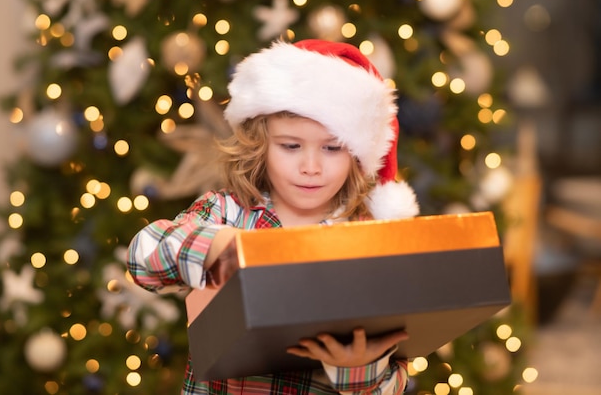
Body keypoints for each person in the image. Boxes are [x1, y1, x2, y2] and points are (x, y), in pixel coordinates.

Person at [127, 39, 420, 394]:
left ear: (356, 156)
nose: (310, 167)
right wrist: (218, 246)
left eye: (331, 148)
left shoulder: (370, 239)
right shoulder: (227, 211)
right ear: (260, 146)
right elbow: (143, 258)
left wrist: (358, 367)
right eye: (291, 146)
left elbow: (394, 380)